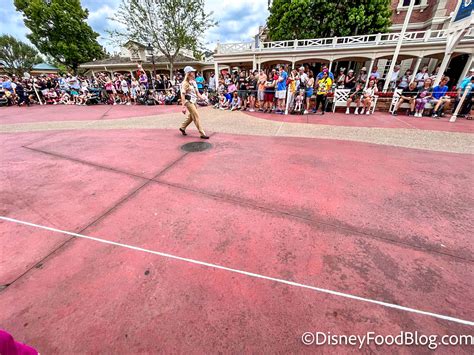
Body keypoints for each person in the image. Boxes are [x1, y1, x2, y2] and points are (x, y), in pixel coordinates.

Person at [179, 66, 209, 139]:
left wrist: (204, 99)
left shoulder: (193, 82)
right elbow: (182, 94)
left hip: (194, 101)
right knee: (196, 116)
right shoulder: (185, 83)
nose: (194, 73)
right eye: (192, 72)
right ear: (188, 73)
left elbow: (197, 93)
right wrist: (183, 106)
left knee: (192, 116)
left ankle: (182, 127)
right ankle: (202, 133)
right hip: (188, 102)